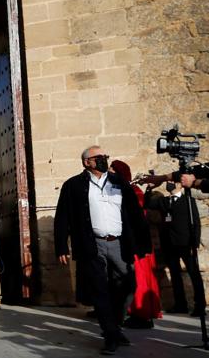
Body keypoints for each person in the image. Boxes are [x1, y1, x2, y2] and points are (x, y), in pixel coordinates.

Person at [54, 146, 151, 355]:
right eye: (98, 157)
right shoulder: (73, 185)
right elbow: (63, 217)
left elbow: (135, 214)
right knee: (99, 290)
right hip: (92, 244)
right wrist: (62, 245)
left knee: (127, 285)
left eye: (104, 157)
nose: (103, 160)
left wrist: (143, 243)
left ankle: (114, 327)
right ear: (87, 162)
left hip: (119, 243)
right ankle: (110, 335)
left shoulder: (119, 183)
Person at [109, 160, 162, 329]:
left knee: (139, 278)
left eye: (112, 172)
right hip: (129, 242)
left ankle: (142, 314)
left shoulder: (133, 192)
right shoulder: (124, 190)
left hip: (135, 243)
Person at [145, 182, 205, 316]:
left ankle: (199, 305)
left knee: (193, 273)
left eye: (172, 182)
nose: (169, 184)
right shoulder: (164, 201)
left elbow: (196, 223)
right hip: (169, 244)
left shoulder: (189, 201)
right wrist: (149, 188)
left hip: (185, 244)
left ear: (180, 185)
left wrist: (194, 244)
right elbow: (147, 203)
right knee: (175, 274)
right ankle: (180, 304)